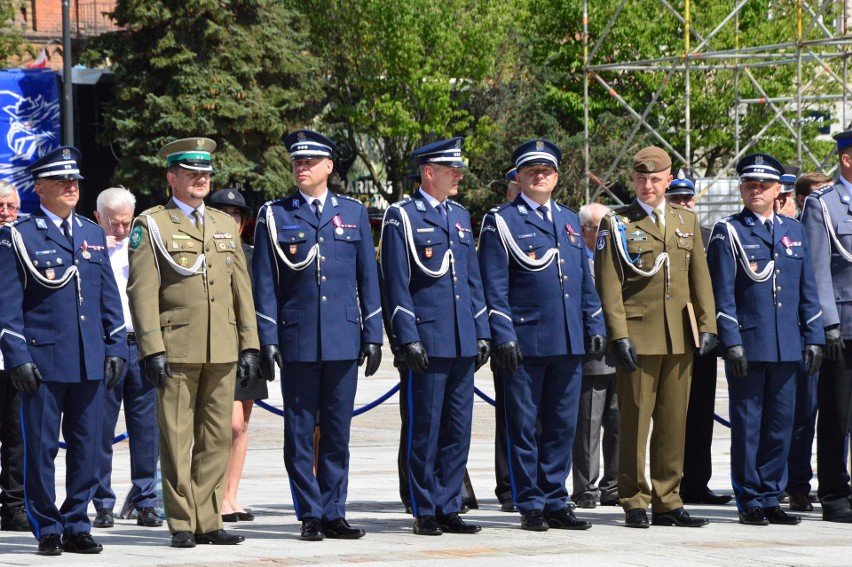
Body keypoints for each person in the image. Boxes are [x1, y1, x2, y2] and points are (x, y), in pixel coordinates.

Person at [127, 137, 260, 547]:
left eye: (205, 173)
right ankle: (183, 522)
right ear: (172, 178)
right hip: (177, 347)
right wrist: (151, 348)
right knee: (177, 436)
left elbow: (242, 288)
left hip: (221, 347)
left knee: (217, 437)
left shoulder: (223, 224)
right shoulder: (152, 224)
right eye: (191, 173)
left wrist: (250, 344)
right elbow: (141, 291)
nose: (200, 179)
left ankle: (209, 518)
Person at [253, 130, 382, 541]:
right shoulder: (275, 214)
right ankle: (309, 512)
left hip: (343, 336)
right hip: (298, 337)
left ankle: (333, 510)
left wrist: (373, 333)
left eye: (310, 162)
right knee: (299, 429)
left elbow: (368, 278)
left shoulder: (354, 212)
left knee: (338, 430)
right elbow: (264, 282)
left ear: (329, 167)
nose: (302, 167)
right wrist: (268, 337)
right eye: (297, 162)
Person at [0, 147, 127, 555]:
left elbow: (109, 296)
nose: (71, 187)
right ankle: (47, 526)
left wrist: (116, 345)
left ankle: (76, 522)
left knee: (88, 448)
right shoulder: (19, 234)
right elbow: (8, 304)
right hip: (43, 360)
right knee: (40, 450)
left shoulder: (91, 233)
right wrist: (17, 356)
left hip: (90, 359)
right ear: (39, 189)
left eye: (74, 182)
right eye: (61, 182)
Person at [479, 139, 606, 532]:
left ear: (556, 177)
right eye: (531, 170)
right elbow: (493, 286)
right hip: (525, 341)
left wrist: (595, 324)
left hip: (567, 341)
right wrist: (503, 335)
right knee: (524, 425)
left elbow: (584, 281)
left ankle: (555, 498)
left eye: (546, 171)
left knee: (561, 425)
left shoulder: (569, 220)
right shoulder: (501, 220)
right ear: (518, 176)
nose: (539, 176)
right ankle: (530, 502)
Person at [594, 146, 717, 529]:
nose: (648, 185)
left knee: (673, 422)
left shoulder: (686, 220)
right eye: (641, 179)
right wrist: (618, 334)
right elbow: (609, 284)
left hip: (679, 334)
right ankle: (633, 498)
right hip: (638, 334)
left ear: (668, 179)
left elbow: (700, 276)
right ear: (633, 180)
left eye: (655, 179)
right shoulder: (616, 222)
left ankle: (668, 500)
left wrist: (708, 323)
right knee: (634, 422)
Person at [380, 137, 490, 536]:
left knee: (457, 428)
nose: (458, 175)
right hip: (427, 341)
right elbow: (396, 283)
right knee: (424, 429)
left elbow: (472, 279)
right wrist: (407, 338)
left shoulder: (460, 216)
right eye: (450, 169)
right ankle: (423, 507)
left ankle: (448, 504)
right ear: (429, 173)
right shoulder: (401, 217)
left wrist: (482, 331)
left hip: (461, 340)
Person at [707, 153, 823, 526]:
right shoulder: (729, 231)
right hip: (750, 343)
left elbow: (807, 291)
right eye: (749, 184)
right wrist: (731, 340)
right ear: (741, 188)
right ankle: (750, 499)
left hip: (788, 343)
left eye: (763, 185)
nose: (755, 190)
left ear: (778, 191)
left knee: (781, 425)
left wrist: (814, 337)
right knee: (748, 424)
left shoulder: (794, 231)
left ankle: (772, 495)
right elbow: (721, 293)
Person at [90, 187, 162, 530]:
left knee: (146, 429)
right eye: (113, 224)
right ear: (97, 218)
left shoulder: (142, 247)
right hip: (105, 346)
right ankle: (101, 501)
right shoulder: (88, 248)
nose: (120, 230)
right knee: (100, 428)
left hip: (140, 344)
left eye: (126, 223)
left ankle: (146, 498)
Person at [665, 170, 731, 506]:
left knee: (701, 413)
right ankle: (667, 486)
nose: (682, 203)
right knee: (667, 416)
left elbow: (718, 288)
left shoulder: (709, 235)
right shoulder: (658, 232)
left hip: (702, 339)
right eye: (675, 198)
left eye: (687, 198)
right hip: (667, 335)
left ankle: (697, 484)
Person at [800, 129, 852, 522]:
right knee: (837, 413)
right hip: (844, 325)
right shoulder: (823, 204)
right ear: (847, 159)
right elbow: (816, 269)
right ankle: (834, 492)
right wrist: (828, 325)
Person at [208, 187, 267, 525]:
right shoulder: (206, 251)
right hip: (217, 347)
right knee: (225, 424)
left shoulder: (254, 254)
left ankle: (231, 496)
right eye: (224, 212)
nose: (231, 219)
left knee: (242, 426)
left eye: (237, 214)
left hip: (249, 348)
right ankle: (213, 496)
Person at [783, 172, 834, 513]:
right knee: (802, 413)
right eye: (818, 195)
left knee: (833, 415)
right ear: (803, 200)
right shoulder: (793, 233)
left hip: (834, 331)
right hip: (803, 336)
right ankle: (797, 484)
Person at [572, 202, 619, 509]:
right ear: (586, 231)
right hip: (593, 355)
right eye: (603, 228)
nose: (609, 235)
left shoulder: (620, 258)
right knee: (588, 425)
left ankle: (614, 484)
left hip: (622, 354)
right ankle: (585, 487)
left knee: (619, 424)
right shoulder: (577, 260)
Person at [0, 181, 28, 532]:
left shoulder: (27, 246)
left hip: (18, 358)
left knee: (18, 438)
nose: (5, 212)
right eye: (0, 205)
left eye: (11, 206)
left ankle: (14, 505)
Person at [492, 166, 520, 513]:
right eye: (514, 185)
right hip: (510, 334)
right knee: (510, 417)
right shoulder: (498, 224)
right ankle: (509, 486)